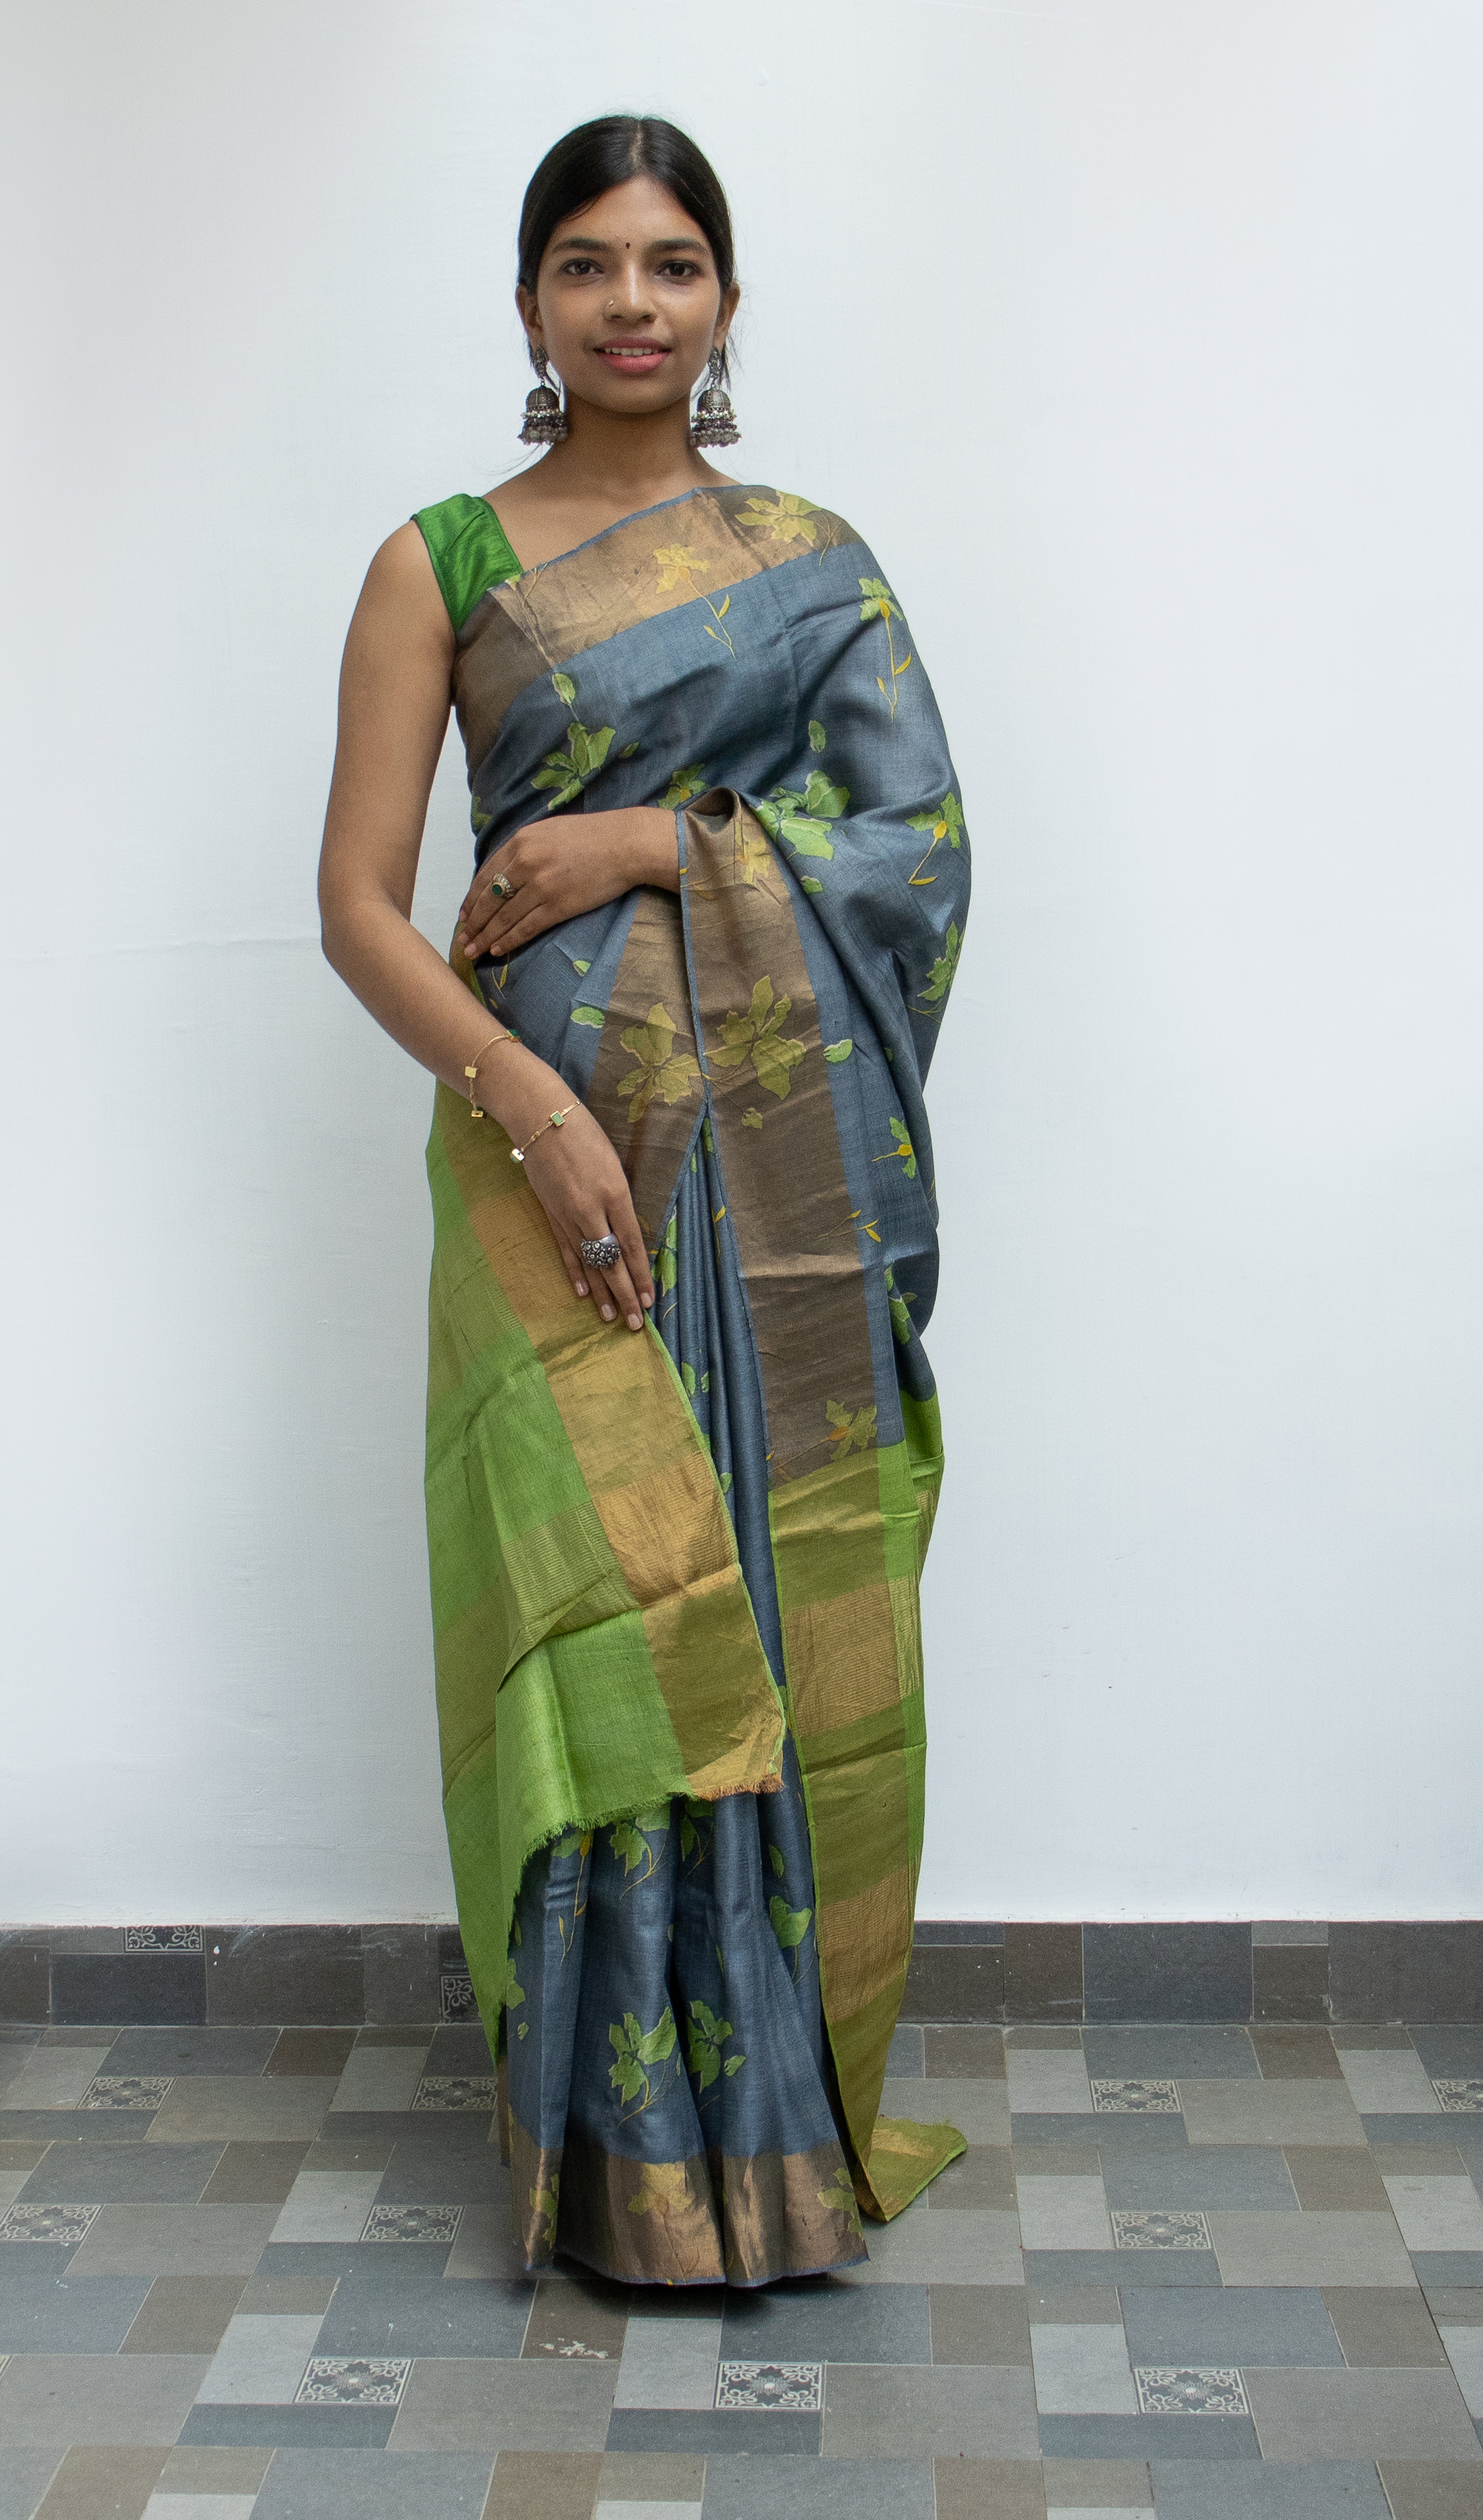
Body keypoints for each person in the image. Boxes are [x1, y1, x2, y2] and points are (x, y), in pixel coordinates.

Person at [317, 113, 970, 2287]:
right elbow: (358, 907)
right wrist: (532, 1105)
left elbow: (918, 850)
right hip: (553, 1185)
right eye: (587, 264)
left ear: (726, 303)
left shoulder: (813, 560)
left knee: (753, 1616)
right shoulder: (441, 565)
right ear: (527, 303)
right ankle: (619, 2168)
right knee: (612, 1621)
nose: (630, 304)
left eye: (672, 264)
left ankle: (767, 2155)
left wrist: (644, 846)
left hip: (775, 1190)